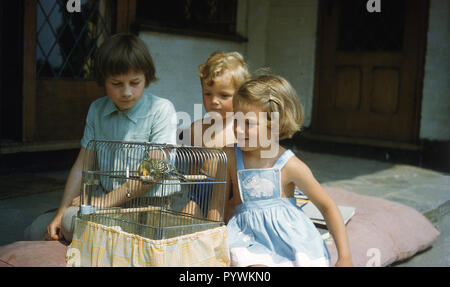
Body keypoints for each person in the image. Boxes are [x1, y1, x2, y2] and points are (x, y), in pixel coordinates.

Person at [24, 33, 177, 242]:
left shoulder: (161, 110)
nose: (126, 92)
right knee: (36, 230)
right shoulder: (97, 109)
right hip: (107, 206)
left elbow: (152, 173)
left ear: (147, 77)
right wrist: (61, 210)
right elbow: (81, 166)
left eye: (135, 82)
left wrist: (104, 202)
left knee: (71, 223)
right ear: (103, 80)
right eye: (116, 83)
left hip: (148, 209)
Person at [209, 74, 353, 267]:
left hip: (288, 241)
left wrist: (344, 257)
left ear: (275, 126)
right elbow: (215, 206)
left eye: (248, 123)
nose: (238, 129)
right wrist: (211, 245)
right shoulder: (229, 157)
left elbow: (327, 207)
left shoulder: (290, 165)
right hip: (247, 239)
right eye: (236, 119)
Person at [181, 51, 250, 217]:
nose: (214, 101)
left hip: (233, 196)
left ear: (240, 96)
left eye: (224, 95)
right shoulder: (197, 129)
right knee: (183, 220)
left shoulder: (243, 130)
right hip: (201, 193)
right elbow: (193, 168)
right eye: (208, 94)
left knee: (225, 230)